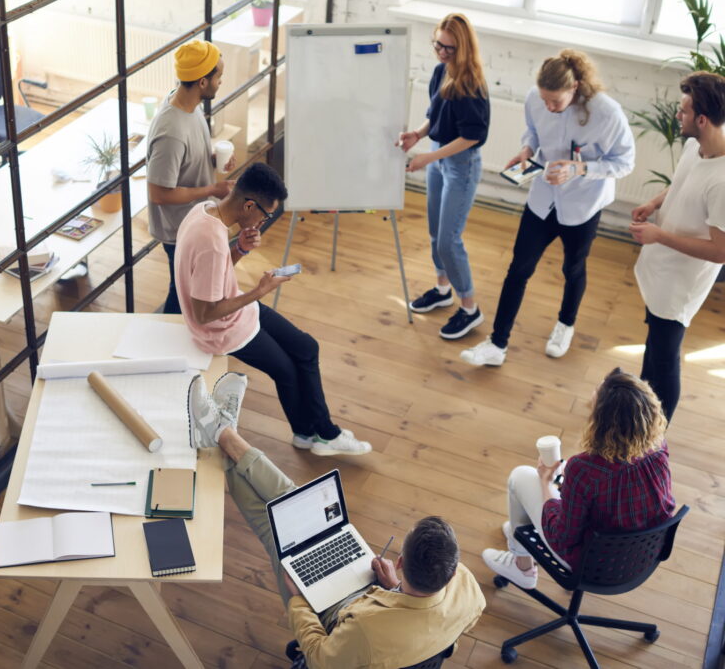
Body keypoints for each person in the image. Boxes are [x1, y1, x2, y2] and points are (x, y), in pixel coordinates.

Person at [186, 376, 485, 668]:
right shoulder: (469, 591)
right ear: (450, 571)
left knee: (273, 527)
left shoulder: (367, 633)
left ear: (401, 561)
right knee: (297, 504)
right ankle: (223, 434)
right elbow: (446, 638)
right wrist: (395, 590)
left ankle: (221, 434)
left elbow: (319, 658)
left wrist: (300, 601)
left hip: (347, 621)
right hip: (384, 601)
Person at [175, 162, 371, 455]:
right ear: (249, 205)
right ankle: (319, 434)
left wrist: (240, 249)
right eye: (266, 215)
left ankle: (312, 434)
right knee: (288, 372)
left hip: (237, 311)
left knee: (306, 347)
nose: (263, 222)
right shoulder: (212, 243)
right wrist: (258, 291)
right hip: (221, 330)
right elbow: (205, 313)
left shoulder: (203, 210)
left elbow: (211, 277)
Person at [462, 50, 635, 367]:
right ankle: (497, 344)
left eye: (555, 102)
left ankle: (565, 325)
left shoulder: (608, 114)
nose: (549, 107)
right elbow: (533, 130)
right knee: (518, 269)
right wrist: (527, 149)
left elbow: (625, 163)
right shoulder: (536, 98)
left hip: (583, 203)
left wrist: (580, 169)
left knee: (573, 268)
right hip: (543, 199)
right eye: (544, 100)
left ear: (576, 87)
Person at [482, 368, 674, 589]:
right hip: (643, 556)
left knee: (520, 477)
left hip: (592, 566)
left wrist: (546, 482)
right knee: (538, 500)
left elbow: (561, 537)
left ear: (602, 421)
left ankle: (522, 565)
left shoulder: (584, 468)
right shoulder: (659, 447)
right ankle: (521, 535)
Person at [631, 71, 725, 421]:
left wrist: (660, 236)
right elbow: (682, 182)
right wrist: (655, 203)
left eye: (683, 111)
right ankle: (640, 416)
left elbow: (721, 251)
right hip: (661, 268)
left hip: (681, 283)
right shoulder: (694, 146)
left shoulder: (723, 180)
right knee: (653, 346)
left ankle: (655, 439)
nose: (677, 116)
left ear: (702, 119)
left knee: (664, 359)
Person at [397, 13, 490, 340]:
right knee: (436, 233)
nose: (442, 52)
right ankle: (443, 289)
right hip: (438, 157)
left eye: (449, 48)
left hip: (460, 165)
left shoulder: (471, 85)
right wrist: (417, 136)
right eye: (438, 44)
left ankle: (470, 308)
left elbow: (472, 136)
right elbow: (434, 116)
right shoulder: (440, 72)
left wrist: (428, 157)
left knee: (451, 239)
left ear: (463, 48)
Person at [146, 39, 237, 314]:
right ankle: (170, 341)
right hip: (179, 229)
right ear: (202, 82)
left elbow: (183, 161)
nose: (221, 81)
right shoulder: (171, 132)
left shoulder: (190, 105)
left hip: (194, 218)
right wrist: (212, 189)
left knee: (186, 288)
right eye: (218, 75)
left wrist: (210, 159)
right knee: (183, 292)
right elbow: (159, 194)